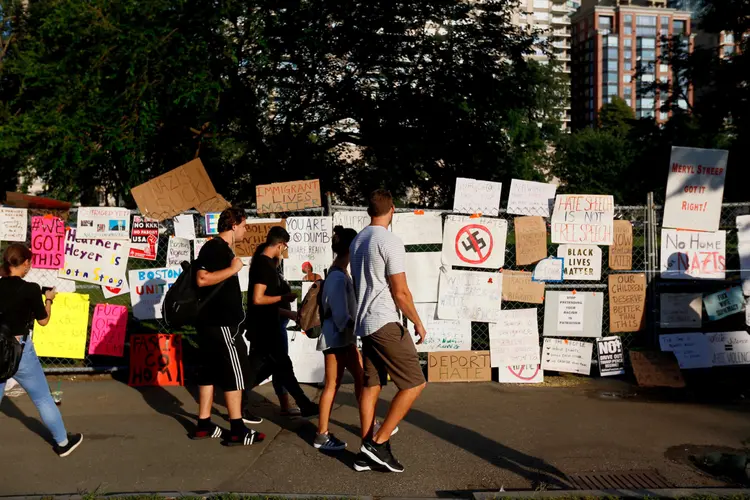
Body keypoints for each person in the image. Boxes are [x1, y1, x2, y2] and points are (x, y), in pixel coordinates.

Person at [350, 189, 427, 473]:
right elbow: (400, 292)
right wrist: (417, 321)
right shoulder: (389, 241)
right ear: (392, 209)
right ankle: (377, 444)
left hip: (365, 324)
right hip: (384, 322)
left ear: (370, 210)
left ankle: (364, 452)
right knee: (414, 383)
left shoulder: (358, 240)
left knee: (372, 387)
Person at [0, 243, 83, 457]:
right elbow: (43, 320)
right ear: (25, 264)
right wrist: (48, 300)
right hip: (21, 351)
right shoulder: (30, 289)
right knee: (42, 398)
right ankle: (63, 443)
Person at [191, 207, 264, 446]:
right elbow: (201, 278)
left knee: (209, 371)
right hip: (220, 323)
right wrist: (233, 269)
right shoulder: (216, 248)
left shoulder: (219, 249)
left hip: (212, 322)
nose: (245, 230)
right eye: (244, 225)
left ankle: (203, 424)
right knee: (235, 372)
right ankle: (237, 428)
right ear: (234, 225)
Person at [242, 227, 319, 419]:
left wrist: (290, 313)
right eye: (284, 247)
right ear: (280, 244)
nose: (284, 251)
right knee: (281, 365)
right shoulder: (264, 266)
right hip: (265, 328)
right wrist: (283, 296)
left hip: (266, 325)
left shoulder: (265, 264)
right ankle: (304, 404)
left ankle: (238, 397)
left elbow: (266, 304)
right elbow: (258, 299)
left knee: (267, 366)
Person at [313, 226, 364, 452]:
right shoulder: (336, 276)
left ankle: (369, 422)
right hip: (337, 339)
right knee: (333, 384)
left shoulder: (340, 273)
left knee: (361, 379)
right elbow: (341, 314)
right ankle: (322, 434)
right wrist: (359, 327)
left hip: (342, 339)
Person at [270, 256, 301, 417]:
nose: (283, 255)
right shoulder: (268, 276)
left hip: (279, 324)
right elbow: (265, 305)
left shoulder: (276, 274)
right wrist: (288, 312)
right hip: (274, 326)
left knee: (277, 366)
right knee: (280, 366)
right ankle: (292, 403)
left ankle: (286, 404)